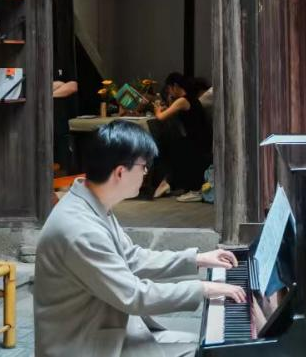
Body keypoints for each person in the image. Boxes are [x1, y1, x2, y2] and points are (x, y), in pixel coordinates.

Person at [34, 121, 245, 356]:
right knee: (213, 352)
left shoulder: (92, 203)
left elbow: (131, 258)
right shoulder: (80, 230)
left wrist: (197, 259)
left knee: (209, 347)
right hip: (83, 346)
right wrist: (203, 288)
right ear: (120, 172)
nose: (146, 173)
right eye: (144, 166)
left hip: (108, 333)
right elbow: (135, 295)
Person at [153, 72, 213, 202]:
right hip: (201, 138)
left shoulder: (182, 100)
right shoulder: (190, 98)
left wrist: (157, 108)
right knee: (171, 144)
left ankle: (184, 186)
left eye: (169, 89)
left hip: (197, 141)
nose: (169, 92)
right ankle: (171, 182)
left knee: (168, 145)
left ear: (175, 86)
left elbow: (161, 117)